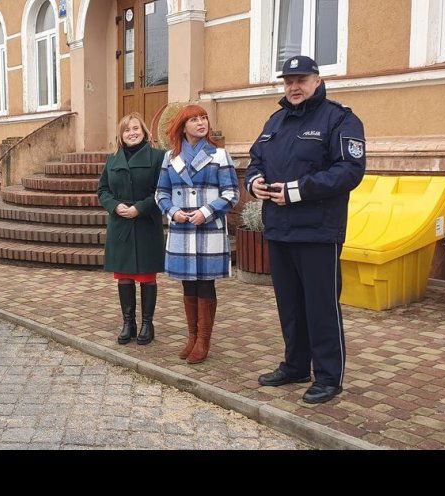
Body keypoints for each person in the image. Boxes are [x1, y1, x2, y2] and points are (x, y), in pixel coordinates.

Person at [245, 55, 366, 404]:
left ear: (317, 80)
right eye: (288, 81)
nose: (294, 87)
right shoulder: (276, 120)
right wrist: (254, 183)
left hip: (318, 231)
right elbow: (255, 160)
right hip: (279, 229)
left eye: (301, 80)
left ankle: (329, 377)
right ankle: (296, 366)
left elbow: (349, 171)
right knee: (291, 305)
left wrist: (296, 191)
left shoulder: (340, 118)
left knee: (321, 306)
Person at [155, 105, 239, 364]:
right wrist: (172, 212)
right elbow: (161, 193)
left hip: (207, 229)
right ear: (183, 126)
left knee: (205, 283)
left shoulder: (220, 155)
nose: (201, 123)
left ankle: (203, 341)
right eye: (194, 119)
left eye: (203, 118)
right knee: (187, 283)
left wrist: (206, 211)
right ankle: (191, 337)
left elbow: (232, 193)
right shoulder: (170, 157)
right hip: (181, 228)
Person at [97, 112, 166, 345]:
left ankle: (147, 323)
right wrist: (115, 206)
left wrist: (140, 208)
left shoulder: (158, 157)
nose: (132, 133)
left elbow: (161, 191)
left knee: (146, 276)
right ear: (121, 135)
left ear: (144, 131)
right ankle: (129, 323)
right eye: (127, 130)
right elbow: (103, 190)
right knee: (124, 277)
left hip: (146, 224)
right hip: (120, 226)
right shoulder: (113, 159)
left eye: (136, 128)